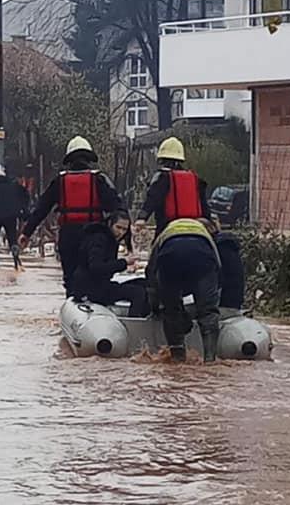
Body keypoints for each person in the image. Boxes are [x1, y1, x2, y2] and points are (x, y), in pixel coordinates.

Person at [19, 136, 124, 295]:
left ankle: (73, 302)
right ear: (89, 159)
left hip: (68, 236)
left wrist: (26, 233)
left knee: (71, 279)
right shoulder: (100, 180)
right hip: (95, 236)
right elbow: (117, 207)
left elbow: (41, 209)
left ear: (69, 160)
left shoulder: (59, 181)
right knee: (96, 274)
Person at [145, 217, 221, 363]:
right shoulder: (206, 237)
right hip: (202, 256)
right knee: (208, 312)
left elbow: (151, 272)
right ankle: (210, 360)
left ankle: (177, 358)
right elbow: (218, 267)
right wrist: (212, 298)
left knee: (171, 310)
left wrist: (155, 306)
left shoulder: (165, 233)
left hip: (169, 256)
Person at [71, 210, 150, 317]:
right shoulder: (99, 239)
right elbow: (96, 268)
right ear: (110, 224)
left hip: (100, 285)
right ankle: (135, 324)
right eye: (118, 227)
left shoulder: (110, 240)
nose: (121, 232)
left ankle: (149, 317)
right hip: (90, 289)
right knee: (138, 292)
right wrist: (124, 262)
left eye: (124, 230)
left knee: (144, 283)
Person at [135, 137, 211, 236]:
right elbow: (204, 205)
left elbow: (153, 198)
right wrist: (208, 219)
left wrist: (142, 218)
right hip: (195, 227)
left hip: (167, 227)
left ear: (161, 159)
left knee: (157, 249)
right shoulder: (195, 179)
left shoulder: (162, 178)